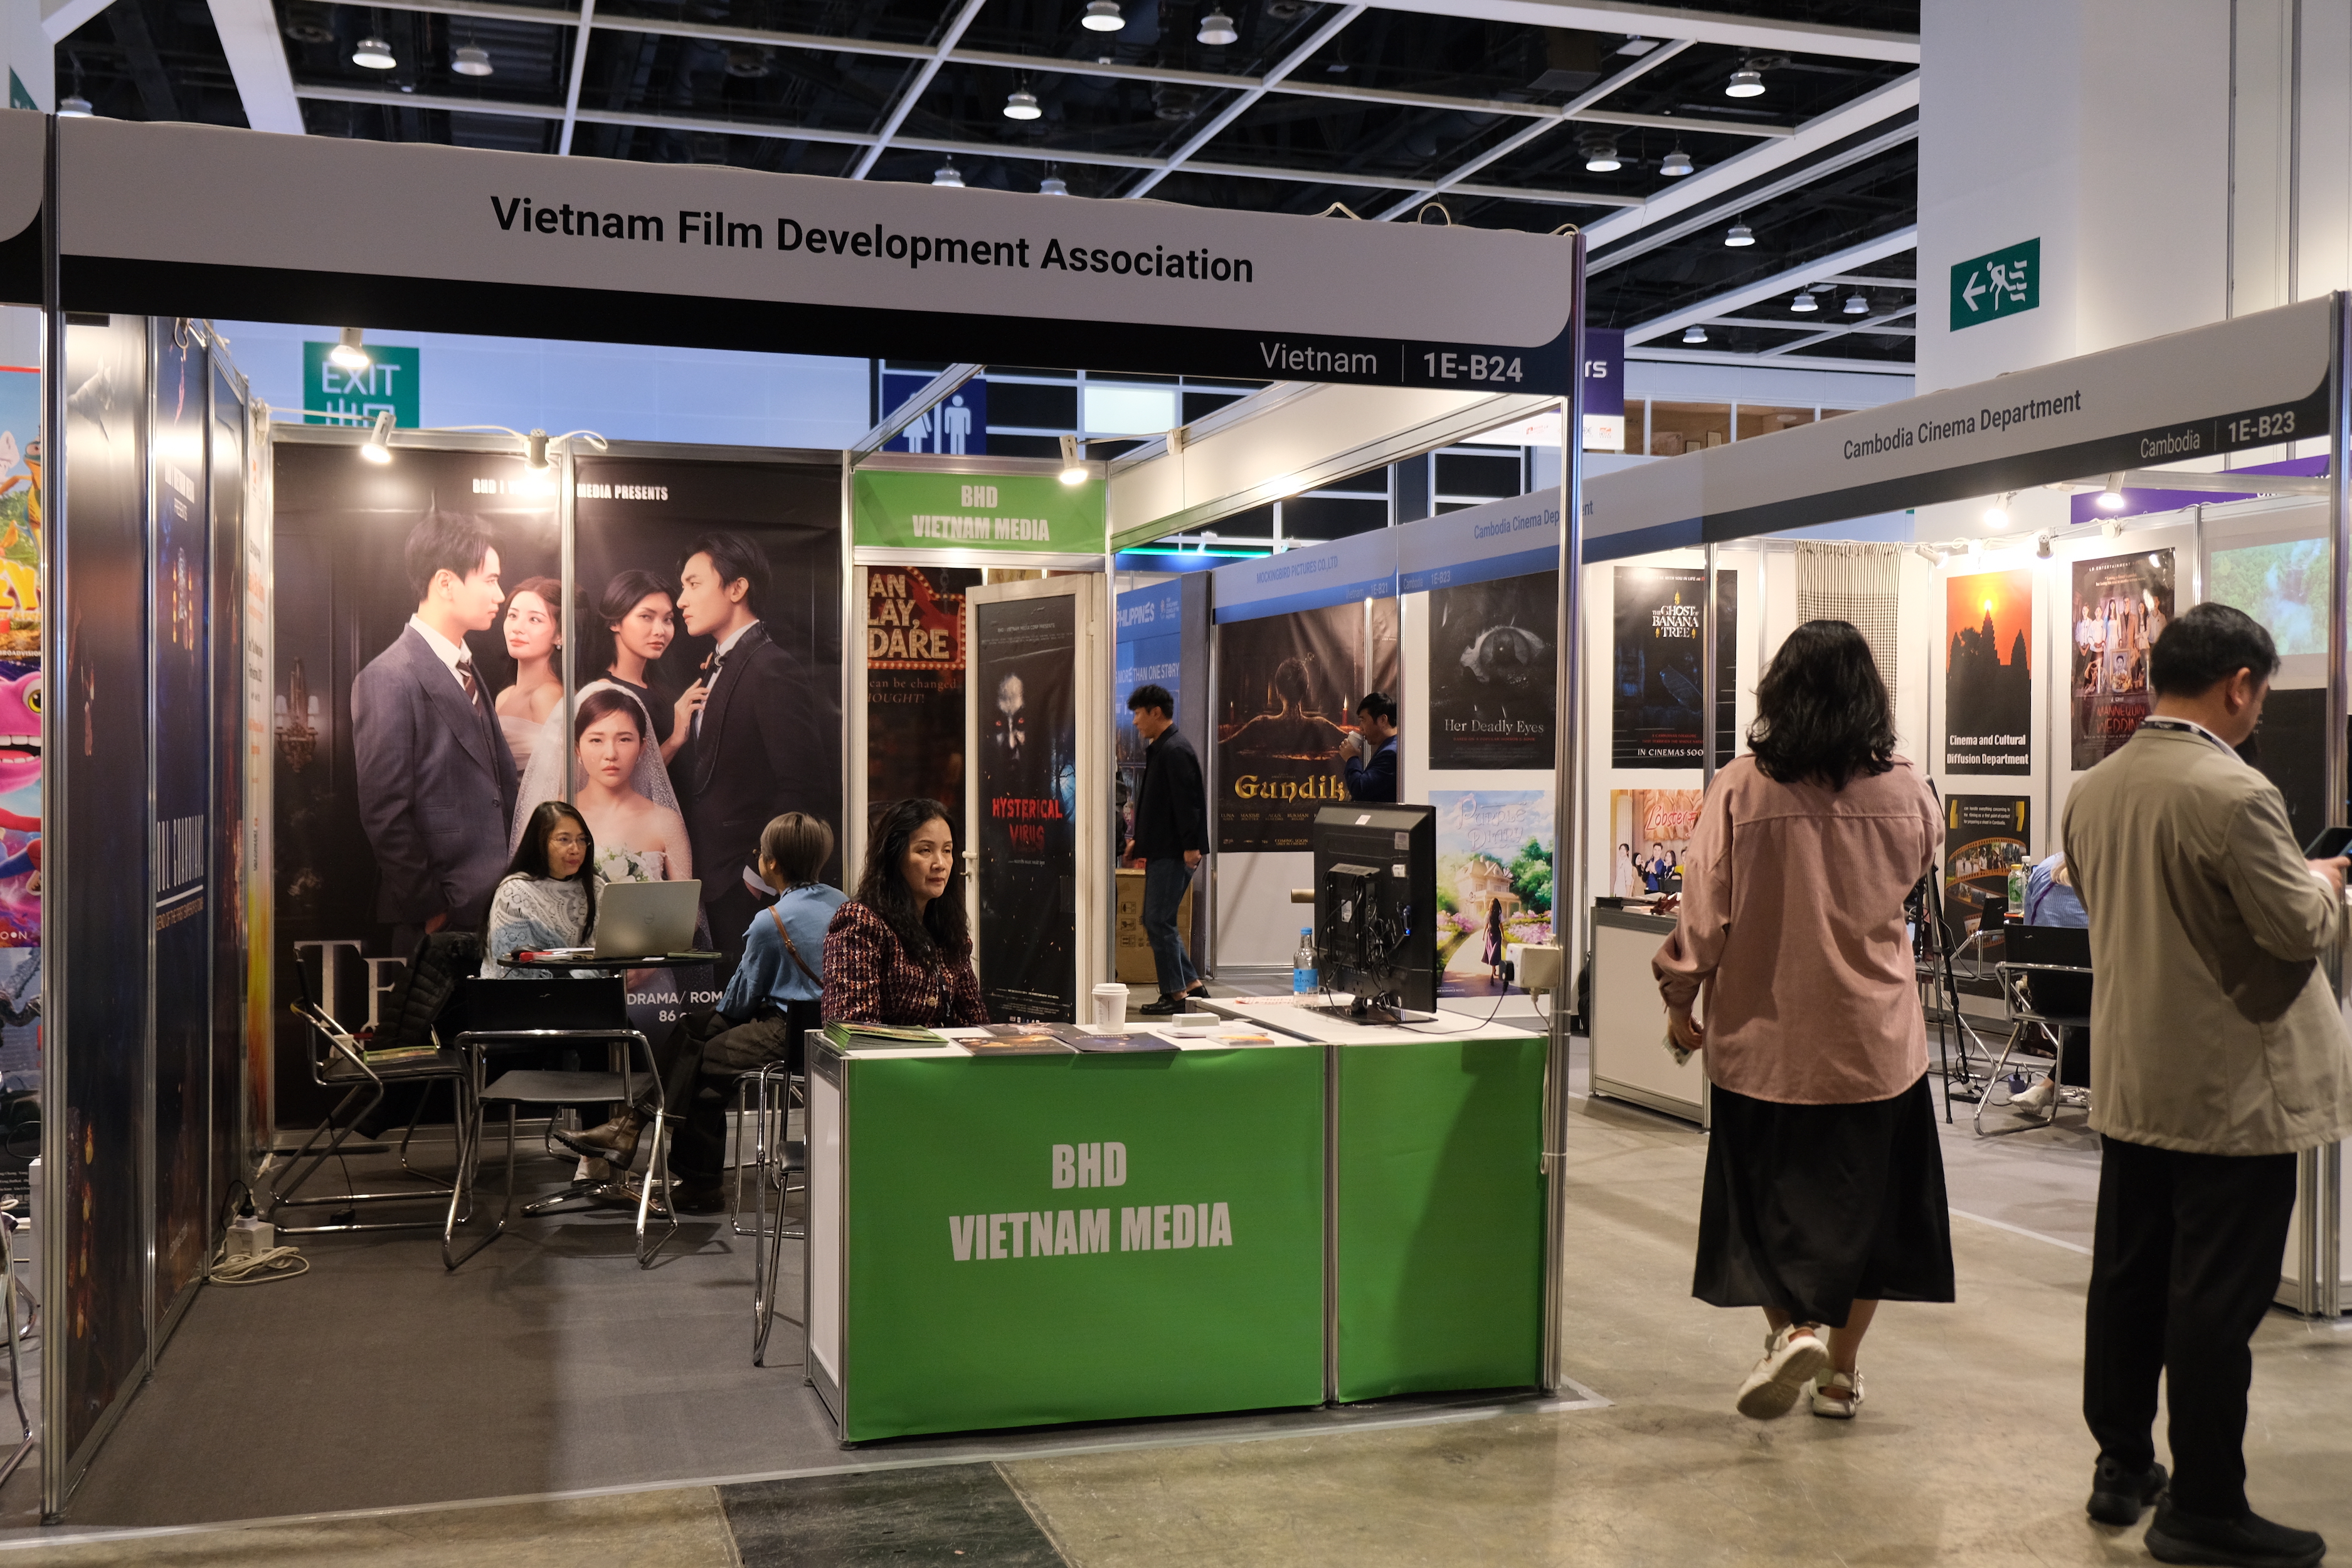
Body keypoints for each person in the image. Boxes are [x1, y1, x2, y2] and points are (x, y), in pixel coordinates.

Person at [2062, 601, 2351, 1566]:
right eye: (2258, 695)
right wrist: (2326, 884)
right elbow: (2294, 930)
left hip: (2137, 1077)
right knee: (2214, 1304)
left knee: (2129, 1280)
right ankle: (2206, 1506)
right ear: (2238, 685)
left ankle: (2120, 1466)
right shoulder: (2234, 793)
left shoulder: (2095, 788)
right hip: (2233, 1094)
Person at [1652, 619, 1949, 1424]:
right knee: (1870, 1221)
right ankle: (1840, 1377)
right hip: (1877, 1048)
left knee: (1763, 1209)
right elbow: (1919, 872)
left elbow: (1705, 918)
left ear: (1778, 693)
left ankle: (1794, 1334)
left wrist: (1680, 1001)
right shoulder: (1908, 790)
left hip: (1765, 1046)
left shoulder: (1743, 789)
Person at [559, 813, 844, 1213]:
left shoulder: (771, 920)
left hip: (787, 1031)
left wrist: (730, 1009)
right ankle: (637, 1136)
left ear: (772, 862)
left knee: (697, 1062)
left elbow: (739, 1003)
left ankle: (669, 1160)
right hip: (833, 1030)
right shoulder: (843, 903)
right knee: (692, 1030)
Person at [351, 511, 521, 946]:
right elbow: (384, 811)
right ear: (446, 583)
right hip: (442, 918)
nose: (499, 595)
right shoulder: (389, 676)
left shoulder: (467, 665)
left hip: (497, 909)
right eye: (489, 579)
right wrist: (431, 908)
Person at [671, 532, 822, 979]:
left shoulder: (772, 667)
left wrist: (755, 879)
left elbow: (803, 786)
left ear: (736, 589)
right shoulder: (718, 663)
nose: (681, 600)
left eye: (694, 584)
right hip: (707, 882)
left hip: (743, 888)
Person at [824, 798, 987, 1028]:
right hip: (884, 1062)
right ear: (894, 856)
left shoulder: (948, 928)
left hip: (944, 1061)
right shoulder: (860, 922)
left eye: (947, 851)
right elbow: (853, 1029)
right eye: (925, 850)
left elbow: (977, 1024)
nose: (940, 863)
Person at [1123, 684, 1206, 1016]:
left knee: (1158, 921)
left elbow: (1189, 805)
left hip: (1175, 852)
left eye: (1138, 714)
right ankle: (1192, 985)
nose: (1134, 722)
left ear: (1156, 712)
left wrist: (1191, 846)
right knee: (1160, 920)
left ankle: (1175, 995)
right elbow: (1159, 806)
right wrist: (1138, 843)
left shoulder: (1175, 750)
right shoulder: (1163, 748)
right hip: (1164, 849)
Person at [479, 801, 598, 978]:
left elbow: (605, 960)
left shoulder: (596, 887)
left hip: (589, 995)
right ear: (540, 843)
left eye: (582, 840)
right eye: (564, 839)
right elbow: (515, 972)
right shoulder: (514, 892)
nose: (576, 849)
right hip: (522, 1000)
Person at [595, 569, 696, 766]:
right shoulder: (605, 692)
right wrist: (675, 741)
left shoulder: (659, 687)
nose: (660, 631)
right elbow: (620, 777)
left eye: (668, 620)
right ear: (615, 622)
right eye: (646, 617)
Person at [493, 576, 564, 773]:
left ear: (560, 635)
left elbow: (562, 779)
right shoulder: (504, 696)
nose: (517, 628)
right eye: (513, 616)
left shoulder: (548, 695)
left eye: (534, 619)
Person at [1342, 691, 1399, 802]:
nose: (1360, 727)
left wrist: (1351, 758)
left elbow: (1360, 790)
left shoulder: (1391, 753)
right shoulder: (1392, 746)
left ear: (1383, 720)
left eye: (1363, 720)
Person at [1482, 898, 1504, 981]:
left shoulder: (1488, 913)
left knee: (1492, 952)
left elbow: (1486, 925)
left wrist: (1484, 935)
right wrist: (1503, 935)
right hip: (1497, 934)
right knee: (1495, 953)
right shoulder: (1499, 913)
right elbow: (1501, 925)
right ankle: (1493, 971)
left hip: (1490, 934)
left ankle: (1493, 970)